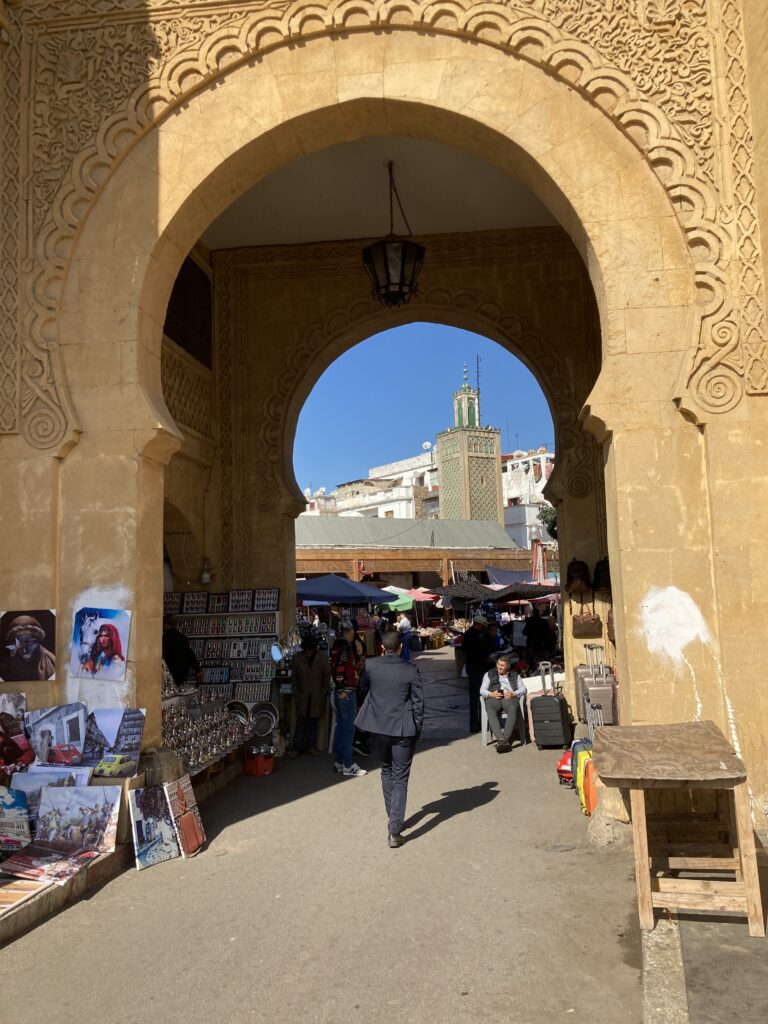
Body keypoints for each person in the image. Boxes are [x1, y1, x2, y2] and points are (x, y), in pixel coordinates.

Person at [356, 629, 424, 848]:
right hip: (403, 729)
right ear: (401, 647)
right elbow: (418, 703)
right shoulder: (411, 670)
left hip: (378, 726)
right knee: (401, 777)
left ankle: (393, 818)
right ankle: (394, 829)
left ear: (382, 647)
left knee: (386, 770)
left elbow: (362, 689)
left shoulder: (371, 665)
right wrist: (417, 729)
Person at [329, 623, 367, 777]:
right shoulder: (345, 647)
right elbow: (340, 668)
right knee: (348, 729)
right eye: (353, 631)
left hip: (342, 690)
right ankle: (348, 764)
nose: (354, 634)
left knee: (341, 727)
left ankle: (339, 762)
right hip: (345, 691)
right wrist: (340, 688)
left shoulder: (336, 646)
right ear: (349, 631)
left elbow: (336, 667)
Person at [289, 636, 331, 758]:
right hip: (303, 694)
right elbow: (294, 676)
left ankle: (311, 746)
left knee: (313, 721)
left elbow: (326, 675)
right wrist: (296, 691)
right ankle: (297, 747)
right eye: (306, 650)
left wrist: (324, 690)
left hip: (316, 694)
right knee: (300, 722)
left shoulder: (322, 657)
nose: (308, 652)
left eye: (310, 650)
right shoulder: (297, 658)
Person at [480, 649, 526, 753]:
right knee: (490, 709)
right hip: (494, 697)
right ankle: (502, 741)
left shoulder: (515, 675)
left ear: (508, 667)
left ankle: (503, 741)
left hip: (509, 697)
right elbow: (482, 690)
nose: (499, 667)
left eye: (502, 665)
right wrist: (491, 694)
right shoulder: (489, 674)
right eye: (498, 664)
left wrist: (513, 693)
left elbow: (523, 689)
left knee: (513, 708)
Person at [461, 615, 496, 733]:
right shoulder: (472, 635)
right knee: (477, 695)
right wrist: (485, 658)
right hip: (476, 668)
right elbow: (475, 652)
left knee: (477, 695)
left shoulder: (473, 634)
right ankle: (476, 723)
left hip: (475, 667)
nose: (484, 628)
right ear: (478, 624)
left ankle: (479, 721)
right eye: (483, 626)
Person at [0, 615, 55, 682]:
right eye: (18, 644)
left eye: (30, 642)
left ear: (39, 642)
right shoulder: (6, 668)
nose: (24, 650)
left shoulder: (52, 664)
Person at [162, 614, 202, 690]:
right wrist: (198, 669)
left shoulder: (164, 639)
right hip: (182, 673)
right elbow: (190, 654)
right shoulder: (182, 638)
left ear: (165, 624)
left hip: (168, 674)